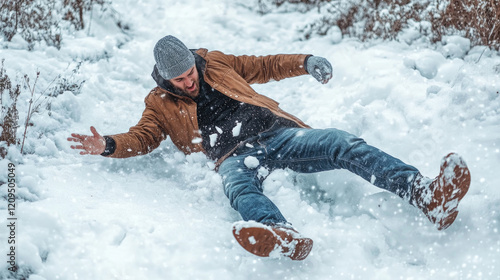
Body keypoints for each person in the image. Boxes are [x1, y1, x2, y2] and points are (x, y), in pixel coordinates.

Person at [68, 35, 471, 261]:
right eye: (180, 80)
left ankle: (425, 194)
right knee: (239, 189)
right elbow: (144, 137)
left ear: (194, 60)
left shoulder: (216, 61)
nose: (189, 82)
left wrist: (306, 60)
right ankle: (280, 234)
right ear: (166, 79)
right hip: (231, 156)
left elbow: (265, 65)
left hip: (277, 133)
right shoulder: (159, 103)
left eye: (190, 73)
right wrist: (108, 144)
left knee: (341, 143)